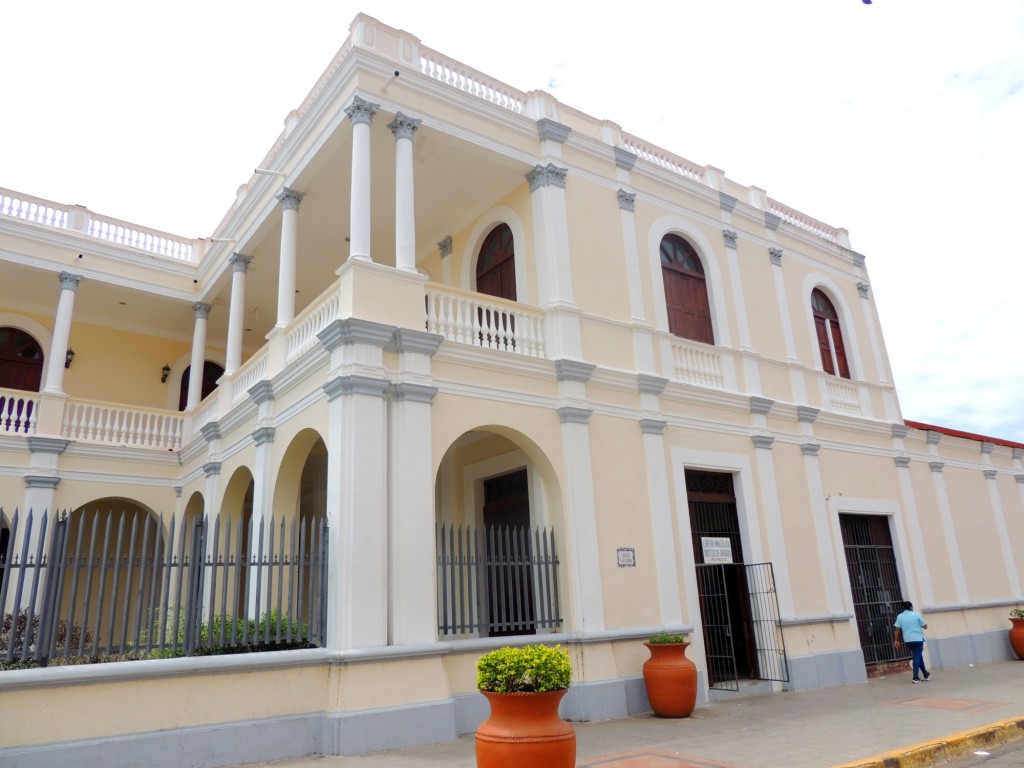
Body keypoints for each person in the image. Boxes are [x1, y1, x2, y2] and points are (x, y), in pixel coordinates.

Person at [893, 600, 930, 683]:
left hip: (907, 640)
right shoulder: (915, 614)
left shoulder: (900, 616)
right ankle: (915, 677)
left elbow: (896, 629)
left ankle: (926, 674)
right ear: (911, 607)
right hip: (917, 639)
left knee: (918, 655)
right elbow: (925, 626)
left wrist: (896, 640)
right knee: (916, 656)